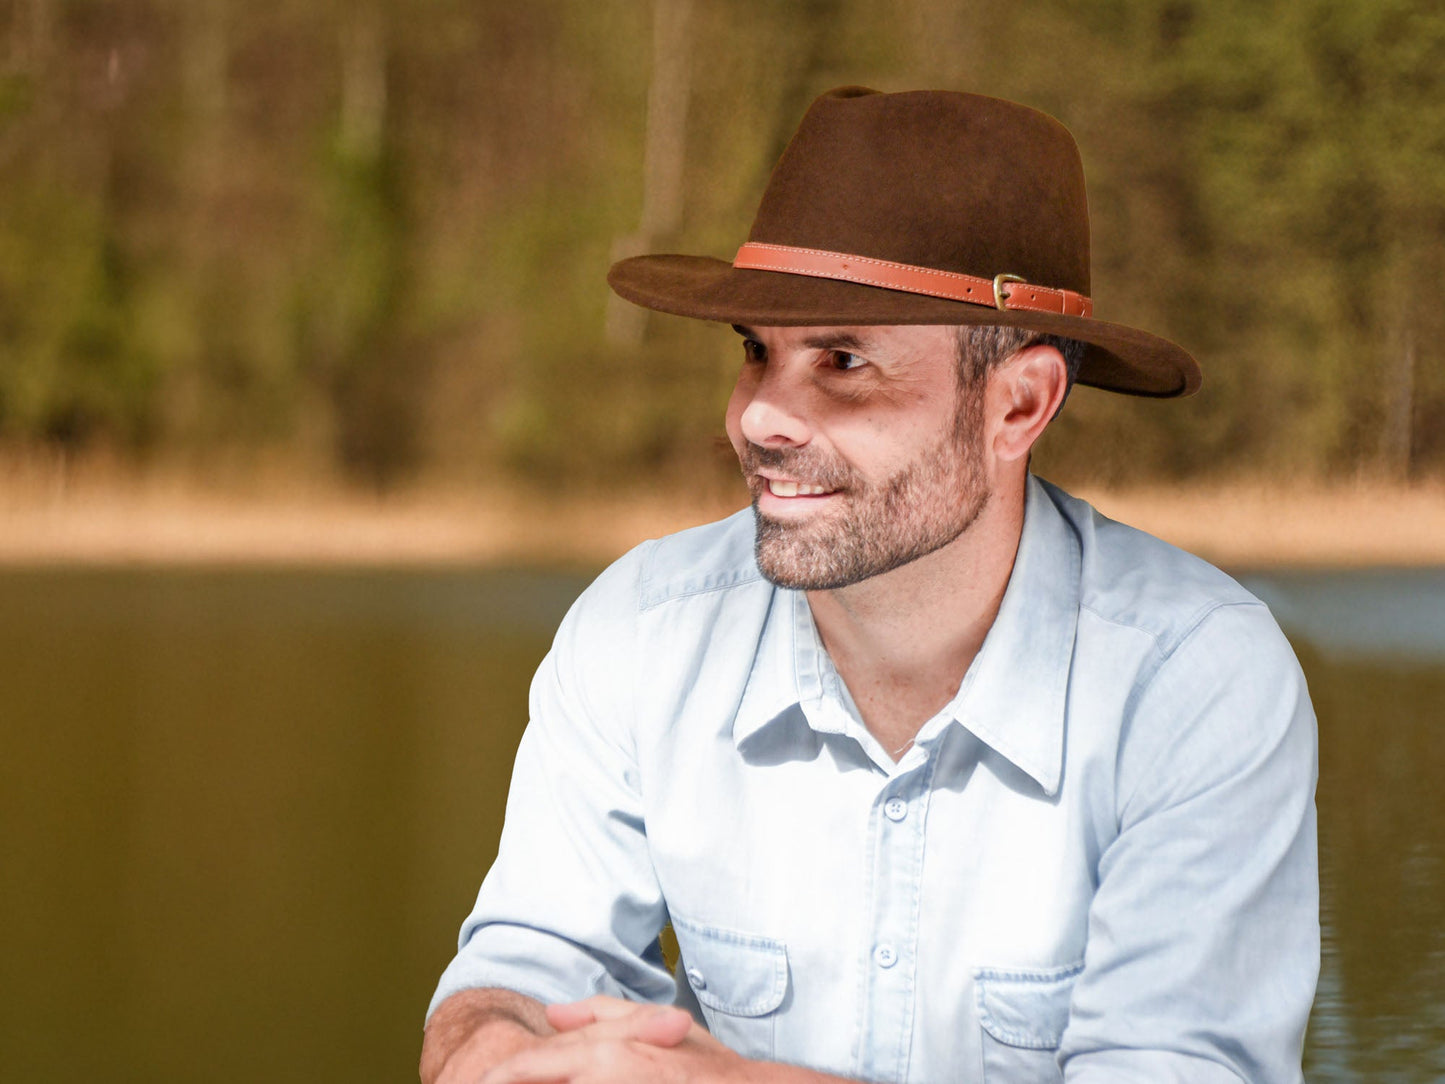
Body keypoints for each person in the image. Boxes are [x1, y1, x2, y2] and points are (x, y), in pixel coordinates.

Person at [420, 87, 1319, 1084]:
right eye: (756, 354)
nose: (760, 418)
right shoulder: (635, 632)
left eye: (842, 361)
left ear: (1017, 404)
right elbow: (516, 970)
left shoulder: (1195, 683)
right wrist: (496, 1052)